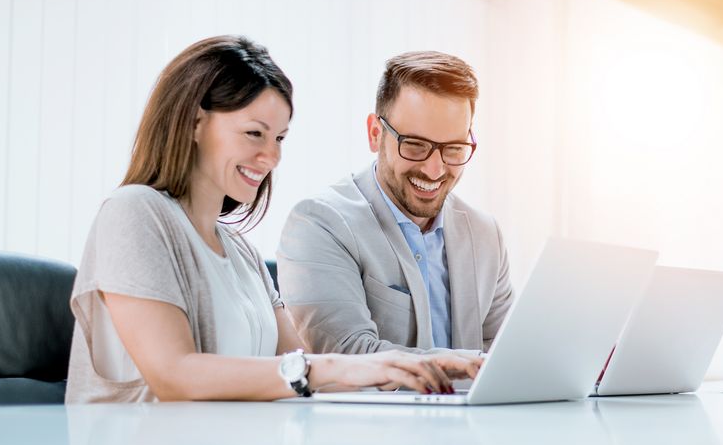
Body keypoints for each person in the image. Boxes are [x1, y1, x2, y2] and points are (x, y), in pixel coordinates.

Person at [65, 36, 479, 403]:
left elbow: (300, 362)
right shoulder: (133, 211)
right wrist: (336, 368)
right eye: (254, 134)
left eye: (279, 138)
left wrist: (438, 362)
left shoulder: (240, 250)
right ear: (194, 123)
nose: (273, 156)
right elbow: (174, 375)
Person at [277, 51, 514, 356]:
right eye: (415, 146)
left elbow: (506, 355)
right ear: (376, 134)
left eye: (454, 148)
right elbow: (349, 357)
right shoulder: (319, 223)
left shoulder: (485, 234)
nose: (434, 170)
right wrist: (472, 366)